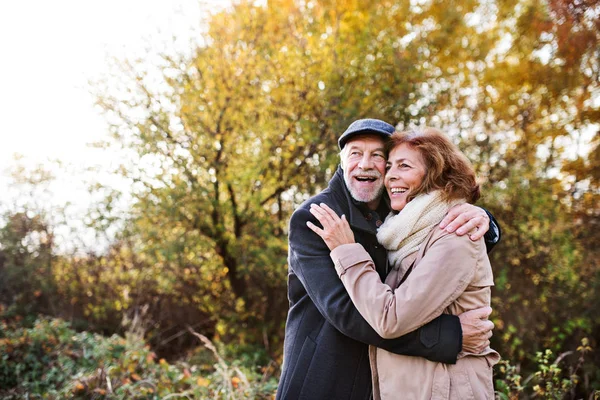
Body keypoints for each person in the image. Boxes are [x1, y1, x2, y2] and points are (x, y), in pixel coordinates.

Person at [276, 119, 501, 400]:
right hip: (326, 376)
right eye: (355, 153)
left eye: (378, 156)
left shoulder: (402, 211)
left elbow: (441, 254)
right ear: (342, 161)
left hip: (388, 379)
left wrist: (485, 222)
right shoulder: (317, 218)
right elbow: (347, 313)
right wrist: (448, 336)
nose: (365, 164)